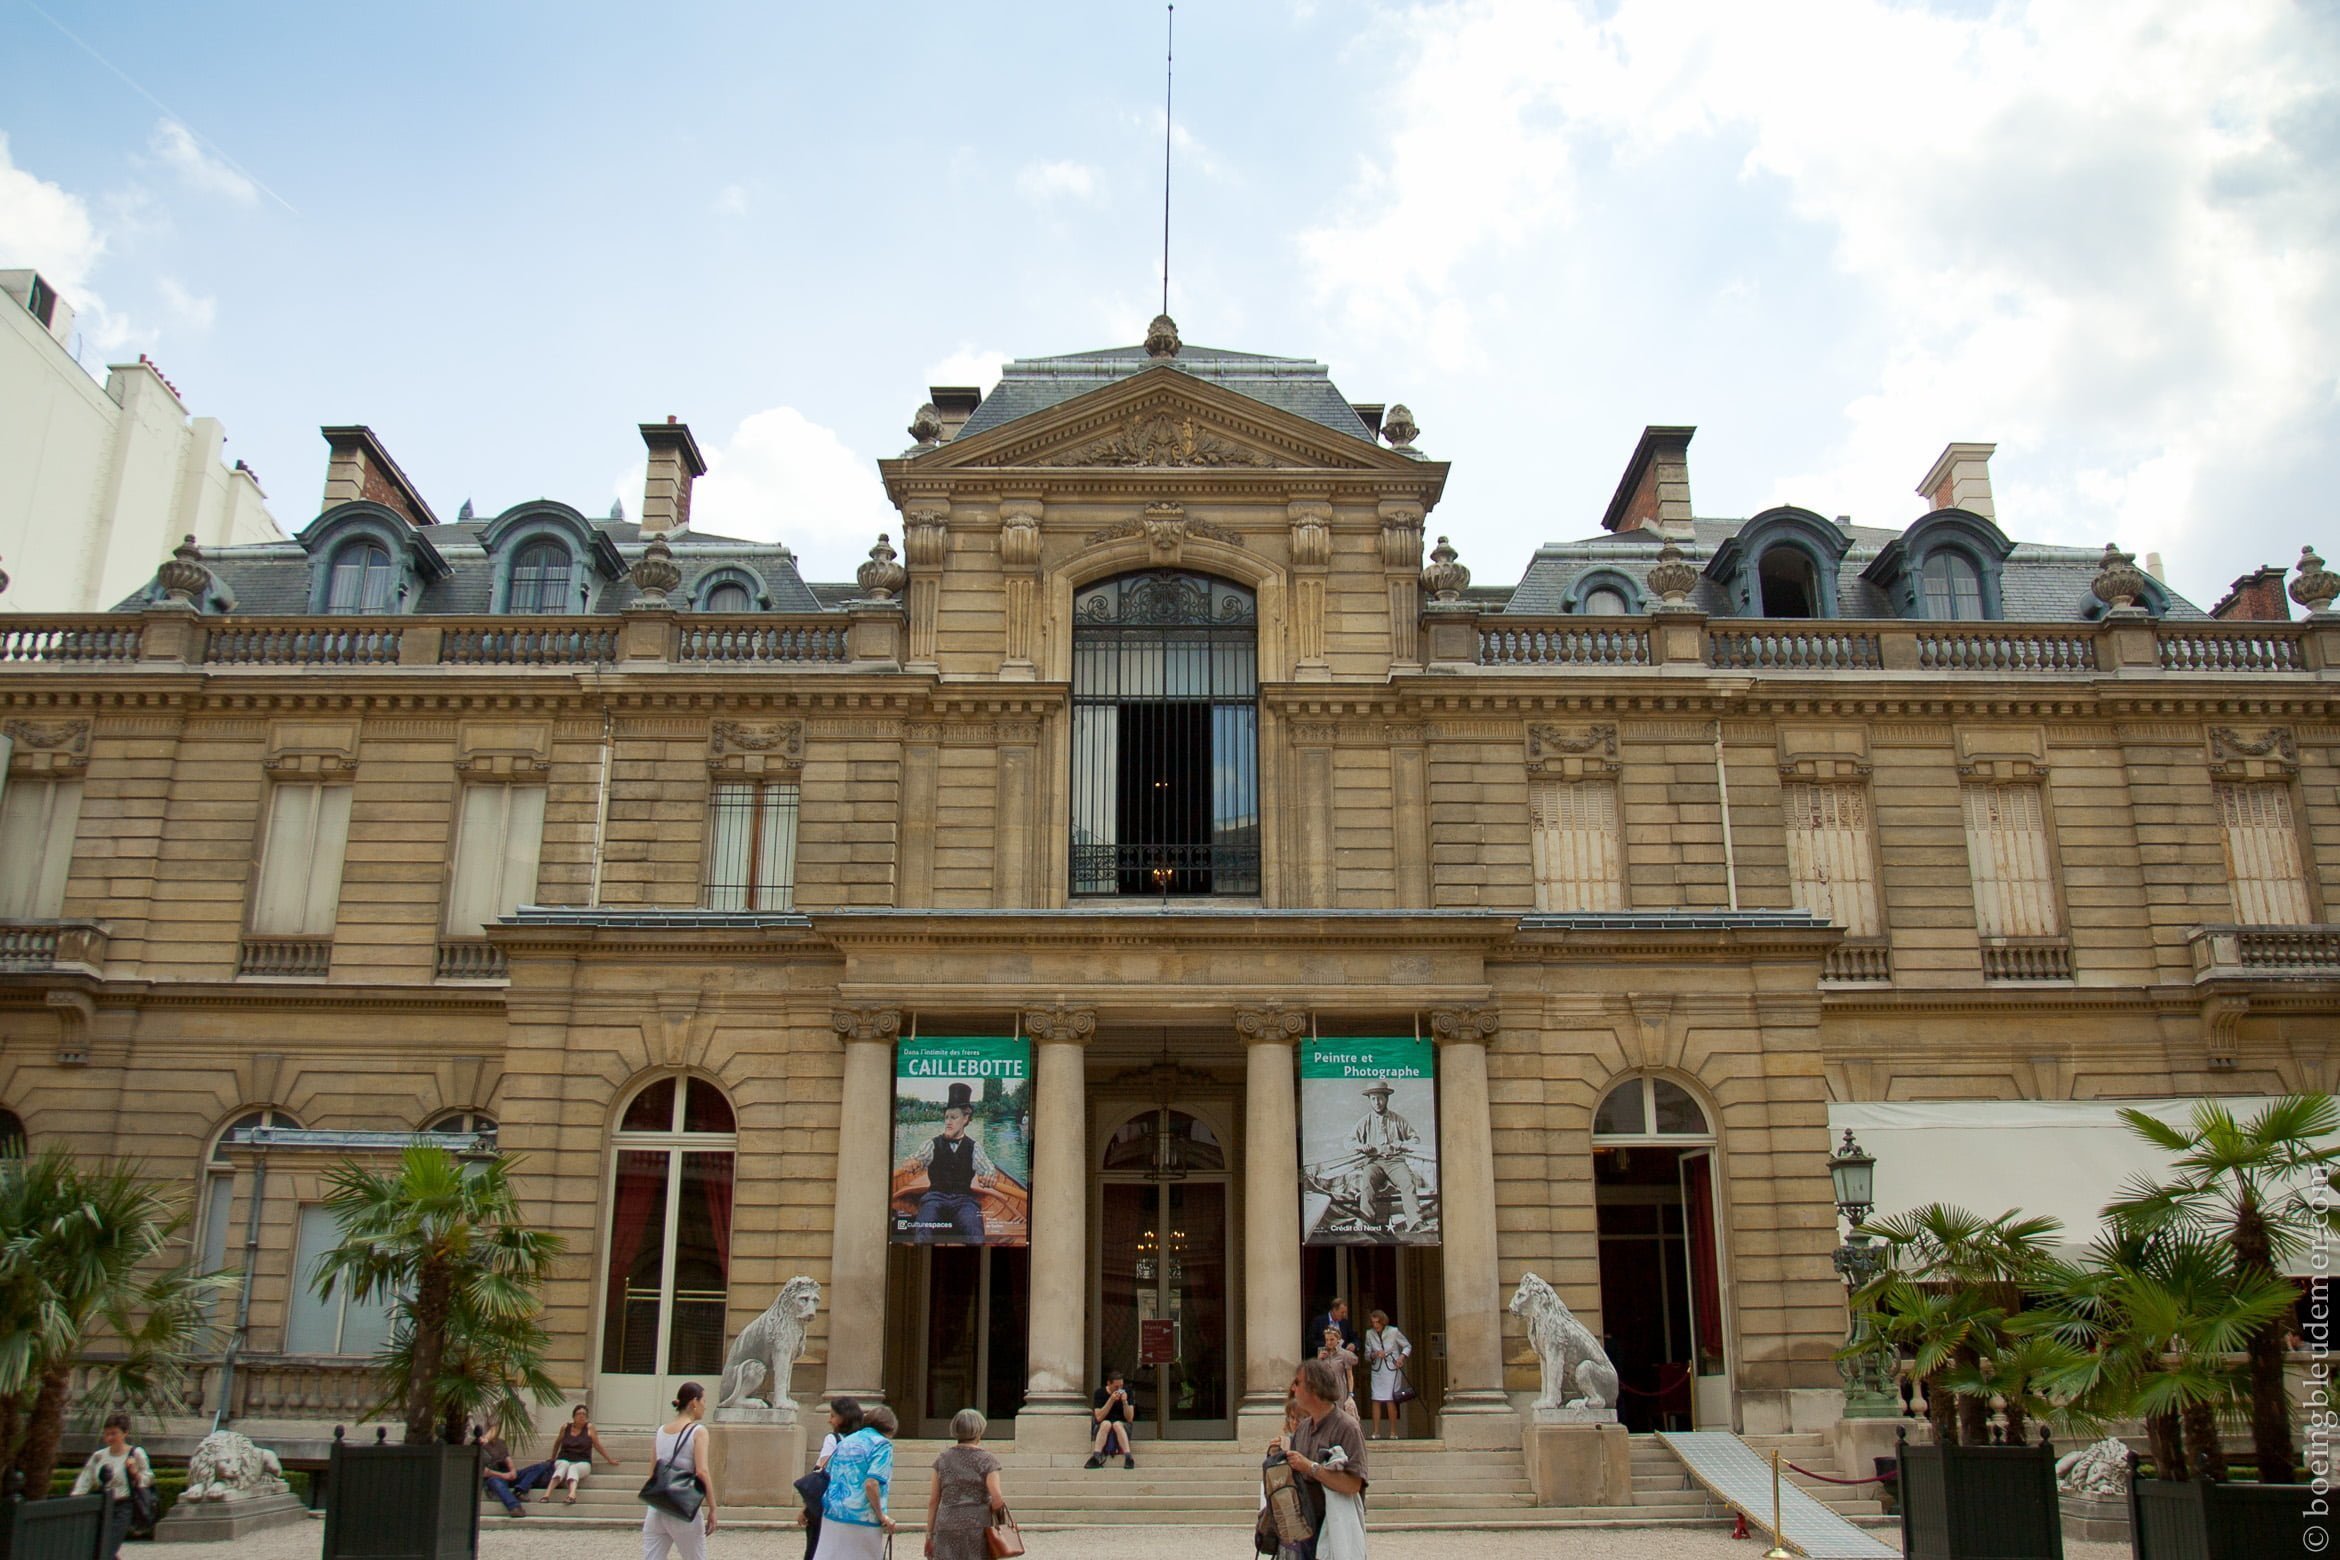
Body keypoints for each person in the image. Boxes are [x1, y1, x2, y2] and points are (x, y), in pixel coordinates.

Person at [1268, 1357, 1370, 1560]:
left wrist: (1311, 1468)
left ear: (1313, 1387)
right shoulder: (1304, 1428)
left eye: (1298, 1383)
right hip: (1304, 1531)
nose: (1294, 1389)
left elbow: (1353, 1484)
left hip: (1333, 1531)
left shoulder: (1347, 1428)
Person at [901, 1081, 1000, 1244]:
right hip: (934, 1198)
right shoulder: (931, 1144)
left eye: (953, 1117)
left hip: (964, 1201)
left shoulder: (974, 1147)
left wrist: (989, 1177)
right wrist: (911, 1162)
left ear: (966, 1119)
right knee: (922, 1235)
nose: (948, 1122)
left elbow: (988, 1170)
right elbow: (917, 1158)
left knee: (976, 1238)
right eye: (946, 1117)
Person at [643, 1381, 718, 1560]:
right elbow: (702, 1471)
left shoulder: (661, 1431)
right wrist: (713, 1507)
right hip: (683, 1506)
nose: (705, 1406)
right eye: (704, 1401)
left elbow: (652, 1471)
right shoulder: (698, 1431)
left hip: (657, 1507)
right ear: (694, 1402)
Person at [814, 1403, 899, 1560]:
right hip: (862, 1517)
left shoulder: (847, 1440)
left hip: (833, 1512)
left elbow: (828, 1472)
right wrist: (882, 1516)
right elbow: (871, 1483)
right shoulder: (882, 1444)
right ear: (889, 1428)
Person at [925, 1407, 1008, 1560]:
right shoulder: (987, 1460)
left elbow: (934, 1500)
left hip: (947, 1522)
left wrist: (929, 1534)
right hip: (977, 1524)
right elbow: (997, 1498)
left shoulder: (942, 1459)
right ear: (979, 1430)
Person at [71, 1413, 153, 1560]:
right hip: (102, 1507)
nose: (109, 1438)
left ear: (125, 1433)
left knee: (107, 1549)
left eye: (114, 1433)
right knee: (98, 1549)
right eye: (107, 1434)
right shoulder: (99, 1456)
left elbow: (148, 1478)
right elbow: (85, 1480)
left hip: (123, 1507)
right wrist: (76, 1501)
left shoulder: (135, 1454)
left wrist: (135, 1474)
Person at [1349, 1082, 1423, 1232]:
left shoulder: (1398, 1120)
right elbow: (1348, 1141)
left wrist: (1401, 1144)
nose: (1377, 1102)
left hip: (1395, 1161)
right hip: (1374, 1162)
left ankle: (1415, 1221)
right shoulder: (1364, 1121)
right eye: (1374, 1099)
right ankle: (1367, 1222)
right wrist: (1361, 1146)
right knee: (1367, 1180)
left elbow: (1415, 1140)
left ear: (1387, 1098)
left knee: (1408, 1181)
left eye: (1380, 1098)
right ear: (1370, 1100)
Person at [799, 1396, 864, 1560]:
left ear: (844, 1417)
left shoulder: (833, 1439)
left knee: (817, 1548)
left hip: (830, 1504)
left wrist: (808, 1507)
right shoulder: (863, 1441)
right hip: (855, 1505)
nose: (830, 1420)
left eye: (833, 1416)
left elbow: (821, 1472)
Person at [542, 1404, 622, 1503]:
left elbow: (597, 1445)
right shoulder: (565, 1427)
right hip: (564, 1458)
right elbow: (557, 1442)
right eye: (579, 1414)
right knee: (563, 1465)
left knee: (573, 1468)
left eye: (584, 1414)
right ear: (573, 1417)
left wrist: (609, 1459)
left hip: (583, 1461)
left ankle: (572, 1495)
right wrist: (553, 1457)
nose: (581, 1416)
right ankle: (547, 1494)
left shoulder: (589, 1428)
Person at [1362, 1310, 1411, 1441]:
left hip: (1392, 1369)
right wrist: (1375, 1354)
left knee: (1390, 1399)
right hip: (1378, 1370)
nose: (1375, 1325)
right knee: (1376, 1399)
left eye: (1377, 1322)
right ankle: (1376, 1431)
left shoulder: (1394, 1331)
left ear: (1383, 1321)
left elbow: (1407, 1346)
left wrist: (1401, 1358)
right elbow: (1367, 1354)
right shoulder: (1369, 1334)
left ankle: (1393, 1431)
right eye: (1373, 1323)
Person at [1085, 1367, 1135, 1468]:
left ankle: (1128, 1457)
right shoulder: (1099, 1393)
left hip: (1122, 1426)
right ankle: (1096, 1456)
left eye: (1121, 1386)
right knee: (1106, 1423)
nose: (1119, 1389)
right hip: (1102, 1427)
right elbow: (1098, 1417)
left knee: (1117, 1424)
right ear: (1109, 1383)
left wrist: (1125, 1402)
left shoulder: (1127, 1392)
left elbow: (1129, 1418)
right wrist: (1111, 1400)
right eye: (1116, 1387)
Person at [480, 1428, 529, 1518]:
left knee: (539, 1467)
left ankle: (520, 1489)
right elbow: (484, 1472)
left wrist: (512, 1471)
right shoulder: (480, 1445)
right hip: (493, 1476)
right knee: (496, 1482)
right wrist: (504, 1475)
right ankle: (515, 1507)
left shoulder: (500, 1443)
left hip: (506, 1473)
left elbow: (507, 1458)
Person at [1315, 1326, 1360, 1417]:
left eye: (1332, 1339)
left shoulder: (1344, 1354)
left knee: (1338, 1415)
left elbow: (1349, 1376)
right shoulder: (1322, 1353)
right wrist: (1319, 1359)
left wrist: (1350, 1394)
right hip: (1325, 1388)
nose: (1329, 1342)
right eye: (1327, 1340)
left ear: (1338, 1339)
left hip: (1339, 1388)